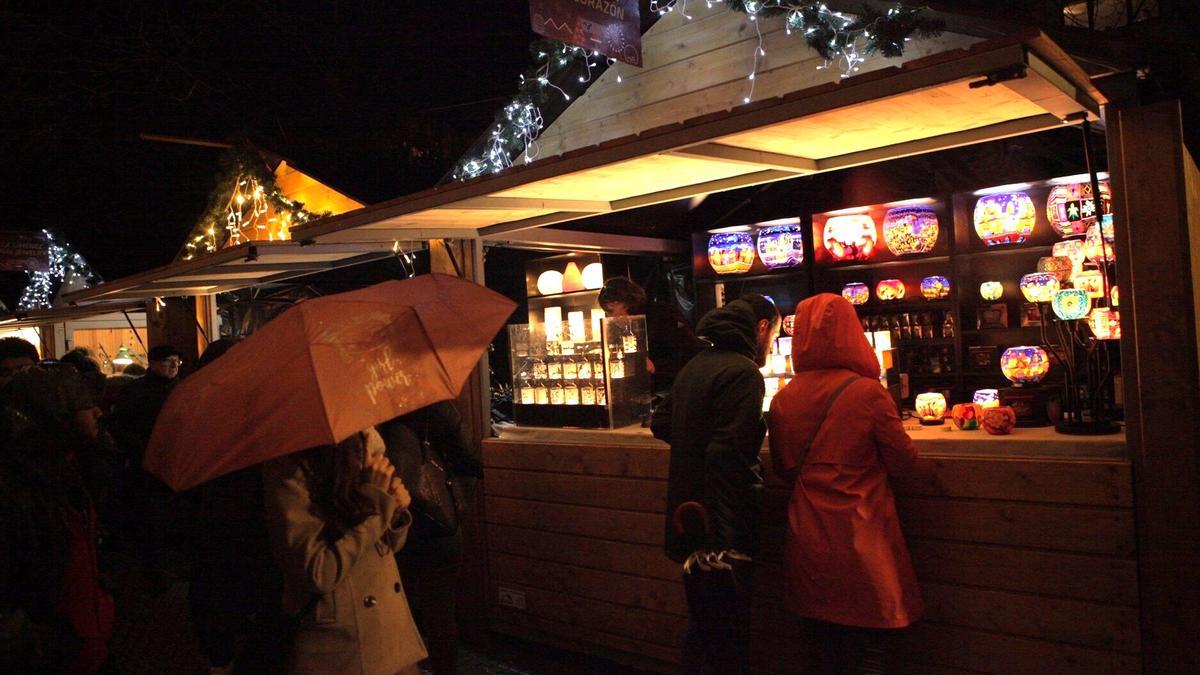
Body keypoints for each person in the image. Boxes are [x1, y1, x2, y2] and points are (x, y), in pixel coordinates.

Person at [767, 294, 923, 673]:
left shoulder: (784, 400)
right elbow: (905, 464)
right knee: (871, 645)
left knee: (820, 646)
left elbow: (784, 469)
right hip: (863, 534)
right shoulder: (868, 392)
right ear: (852, 332)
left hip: (807, 534)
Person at [650, 294, 781, 674]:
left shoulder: (696, 365)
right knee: (728, 630)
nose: (771, 345)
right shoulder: (743, 372)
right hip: (723, 523)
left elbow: (661, 423)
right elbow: (730, 453)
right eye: (773, 336)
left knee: (704, 623)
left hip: (689, 516)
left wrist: (694, 442)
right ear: (760, 330)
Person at [262, 429, 426, 675]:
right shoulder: (288, 469)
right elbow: (318, 572)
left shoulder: (364, 446)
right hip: (342, 644)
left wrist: (396, 511)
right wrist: (378, 508)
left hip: (389, 631)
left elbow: (385, 549)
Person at [0, 365, 115, 674]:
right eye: (85, 404)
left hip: (84, 644)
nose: (98, 412)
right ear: (55, 413)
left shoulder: (63, 470)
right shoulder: (17, 491)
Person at [378, 400, 483, 675]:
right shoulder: (430, 401)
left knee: (398, 611)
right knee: (441, 612)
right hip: (436, 520)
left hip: (387, 519)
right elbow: (471, 456)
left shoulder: (367, 409)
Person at [108, 344, 182, 593]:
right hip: (146, 464)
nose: (172, 365)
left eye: (176, 361)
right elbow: (119, 427)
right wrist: (144, 447)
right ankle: (156, 571)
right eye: (167, 361)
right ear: (152, 363)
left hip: (177, 460)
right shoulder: (136, 391)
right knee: (153, 518)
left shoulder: (183, 389)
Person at [599, 277, 700, 394]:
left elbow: (689, 353)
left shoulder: (662, 315)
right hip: (648, 391)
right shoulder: (624, 327)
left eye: (610, 310)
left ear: (625, 303)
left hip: (674, 390)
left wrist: (656, 366)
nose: (609, 317)